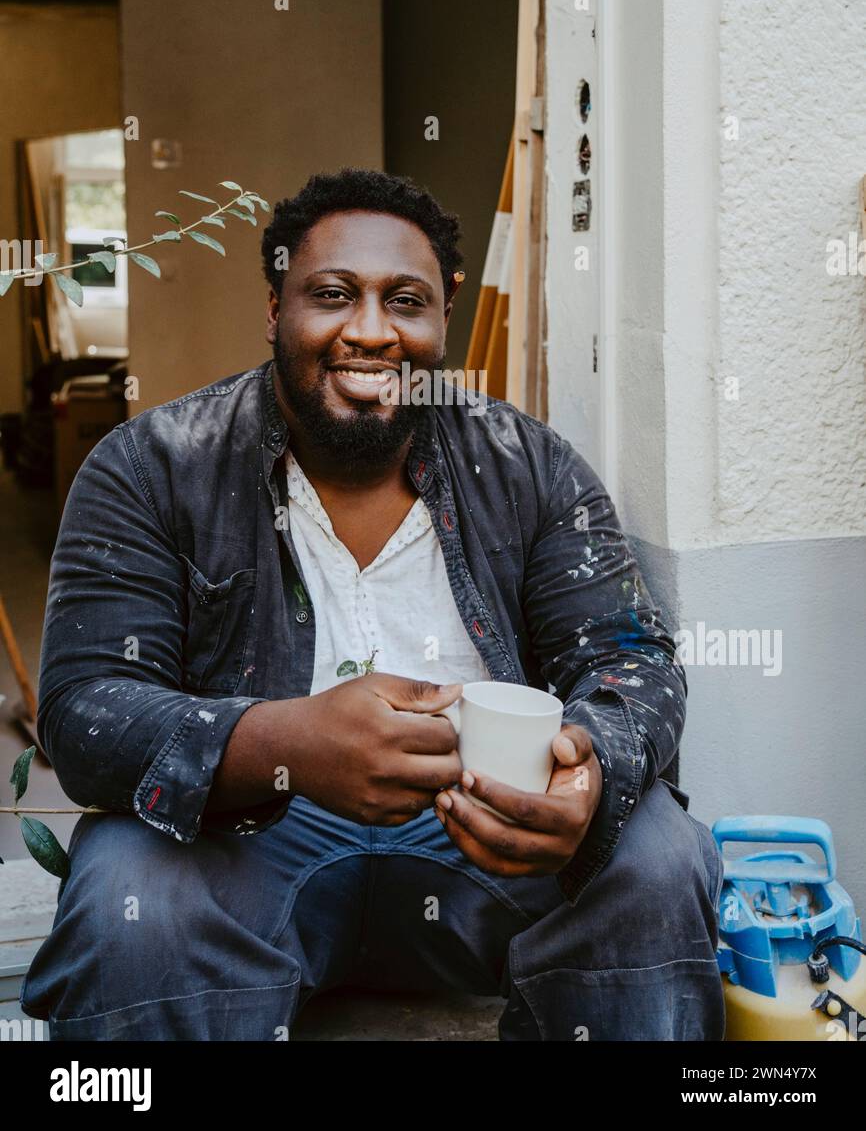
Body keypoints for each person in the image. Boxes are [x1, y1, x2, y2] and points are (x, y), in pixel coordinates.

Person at [20, 168, 725, 1041]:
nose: (370, 331)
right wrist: (282, 745)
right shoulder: (150, 468)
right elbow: (86, 711)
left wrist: (592, 771)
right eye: (332, 295)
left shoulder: (530, 466)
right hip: (244, 837)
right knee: (131, 890)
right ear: (274, 306)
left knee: (656, 853)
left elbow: (633, 660)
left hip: (483, 832)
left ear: (445, 313)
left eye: (405, 301)